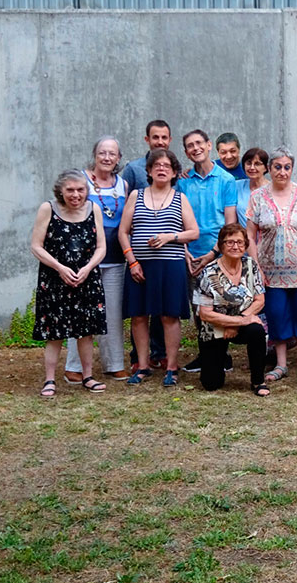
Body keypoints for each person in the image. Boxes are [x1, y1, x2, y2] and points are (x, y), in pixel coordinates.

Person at [118, 149, 199, 386]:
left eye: (167, 166)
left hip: (171, 267)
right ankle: (142, 366)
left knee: (169, 316)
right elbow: (123, 232)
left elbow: (193, 232)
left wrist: (170, 237)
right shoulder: (136, 195)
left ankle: (171, 367)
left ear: (174, 172)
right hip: (139, 267)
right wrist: (132, 261)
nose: (161, 169)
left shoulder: (179, 198)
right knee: (139, 316)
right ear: (149, 171)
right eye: (157, 165)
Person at [247, 146, 297, 384]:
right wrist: (256, 266)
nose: (282, 172)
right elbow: (250, 235)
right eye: (277, 167)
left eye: (287, 167)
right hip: (271, 272)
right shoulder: (258, 197)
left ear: (293, 168)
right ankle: (281, 364)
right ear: (269, 169)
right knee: (277, 314)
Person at [31, 170, 107, 397]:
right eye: (70, 190)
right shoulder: (48, 209)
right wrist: (60, 268)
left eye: (81, 189)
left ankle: (88, 377)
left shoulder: (94, 209)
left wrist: (87, 268)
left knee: (86, 332)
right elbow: (36, 246)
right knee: (54, 334)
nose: (76, 194)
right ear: (60, 191)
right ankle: (50, 380)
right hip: (54, 280)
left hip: (87, 279)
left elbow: (101, 246)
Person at [65, 136, 128, 383]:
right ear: (94, 154)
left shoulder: (122, 184)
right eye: (102, 153)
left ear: (119, 158)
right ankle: (74, 366)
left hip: (114, 259)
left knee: (112, 312)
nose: (107, 158)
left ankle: (114, 363)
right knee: (79, 312)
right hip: (82, 259)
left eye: (112, 154)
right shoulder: (80, 180)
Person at [177, 129, 237, 374]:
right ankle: (205, 355)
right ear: (186, 151)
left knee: (218, 307)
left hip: (216, 254)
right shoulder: (182, 182)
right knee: (198, 308)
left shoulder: (226, 180)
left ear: (209, 145)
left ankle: (222, 357)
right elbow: (177, 221)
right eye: (190, 145)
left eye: (199, 143)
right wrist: (185, 252)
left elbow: (231, 222)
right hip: (190, 254)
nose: (195, 148)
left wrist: (214, 253)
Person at [193, 223, 269, 396]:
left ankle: (258, 381)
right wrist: (238, 321)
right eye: (230, 242)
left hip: (242, 322)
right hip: (213, 328)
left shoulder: (251, 265)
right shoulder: (208, 273)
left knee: (257, 331)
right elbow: (204, 313)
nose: (235, 246)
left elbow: (260, 300)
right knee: (211, 384)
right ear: (221, 245)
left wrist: (238, 323)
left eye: (240, 242)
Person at [122, 119, 172, 370]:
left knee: (162, 308)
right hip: (139, 254)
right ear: (147, 140)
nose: (160, 141)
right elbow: (125, 211)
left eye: (164, 137)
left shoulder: (173, 170)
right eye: (155, 137)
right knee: (140, 309)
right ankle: (137, 358)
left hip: (167, 255)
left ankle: (160, 353)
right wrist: (130, 255)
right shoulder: (133, 169)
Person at [234, 147, 269, 227]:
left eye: (257, 164)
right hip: (243, 237)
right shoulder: (237, 186)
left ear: (266, 167)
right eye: (249, 163)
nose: (252, 167)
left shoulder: (272, 189)